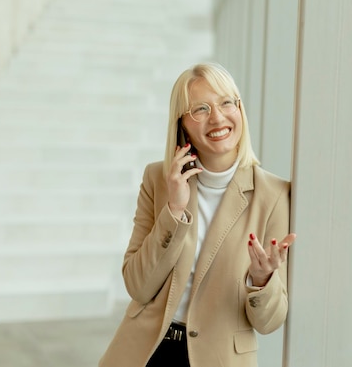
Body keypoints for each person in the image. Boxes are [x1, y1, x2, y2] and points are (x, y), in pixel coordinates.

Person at [99, 62, 296, 367]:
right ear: (182, 124)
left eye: (227, 102)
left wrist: (262, 278)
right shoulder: (158, 179)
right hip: (146, 352)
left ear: (240, 109)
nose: (217, 117)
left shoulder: (275, 195)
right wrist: (174, 210)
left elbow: (269, 322)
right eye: (200, 109)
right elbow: (138, 286)